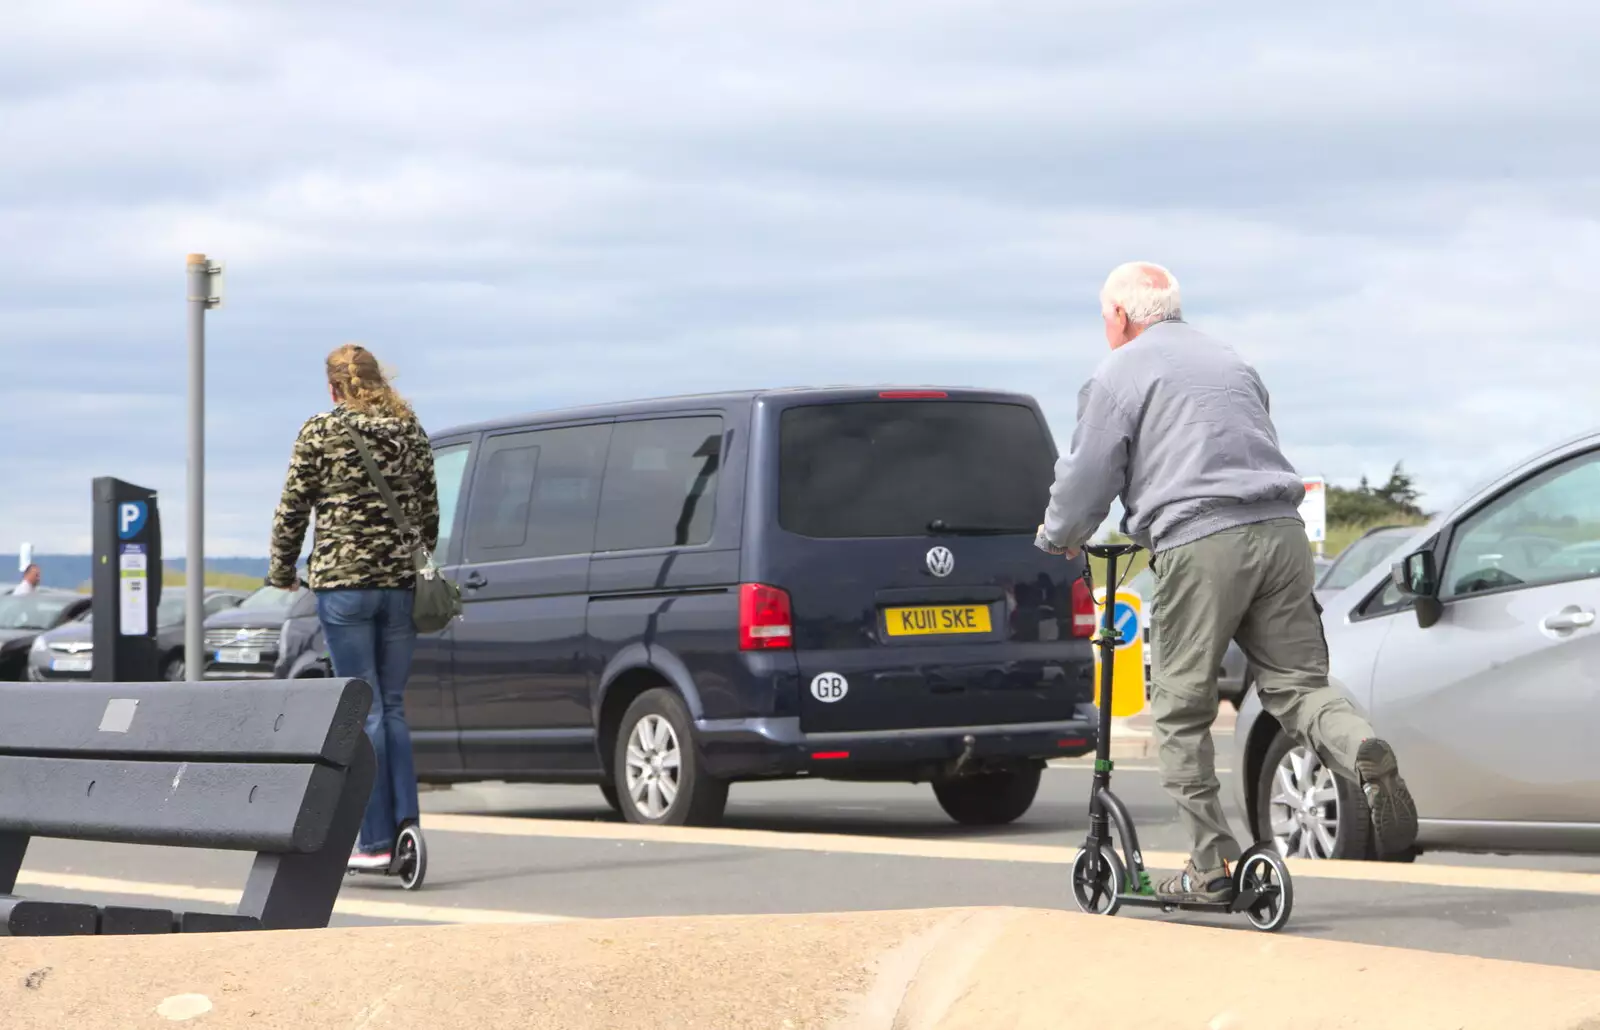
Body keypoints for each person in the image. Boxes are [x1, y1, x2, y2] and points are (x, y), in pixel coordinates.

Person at [1035, 261, 1418, 904]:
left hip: (1200, 541)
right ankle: (1361, 750)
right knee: (1298, 685)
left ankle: (1211, 865)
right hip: (1281, 530)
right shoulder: (1232, 362)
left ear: (1122, 316)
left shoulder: (1117, 373)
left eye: (1105, 317)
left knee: (1181, 711)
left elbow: (1085, 479)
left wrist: (1059, 536)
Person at [268, 343, 440, 870]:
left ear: (333, 387)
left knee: (362, 709)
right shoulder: (409, 431)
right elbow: (429, 509)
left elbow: (293, 507)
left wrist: (281, 570)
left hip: (344, 586)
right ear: (377, 381)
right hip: (400, 585)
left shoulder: (320, 431)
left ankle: (374, 842)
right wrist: (416, 561)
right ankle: (407, 825)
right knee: (391, 706)